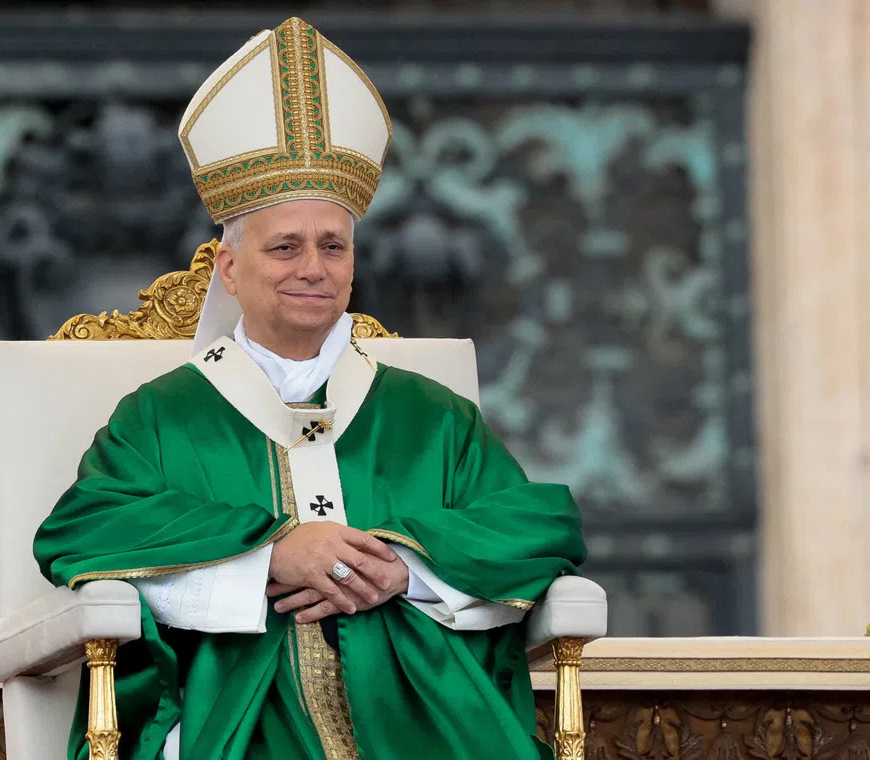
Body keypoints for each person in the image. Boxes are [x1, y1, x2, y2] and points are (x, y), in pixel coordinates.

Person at [33, 16, 586, 760]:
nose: (314, 268)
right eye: (285, 247)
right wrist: (268, 559)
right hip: (238, 705)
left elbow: (540, 525)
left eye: (334, 245)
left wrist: (404, 565)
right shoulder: (161, 417)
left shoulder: (432, 417)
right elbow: (82, 531)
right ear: (230, 269)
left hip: (418, 708)